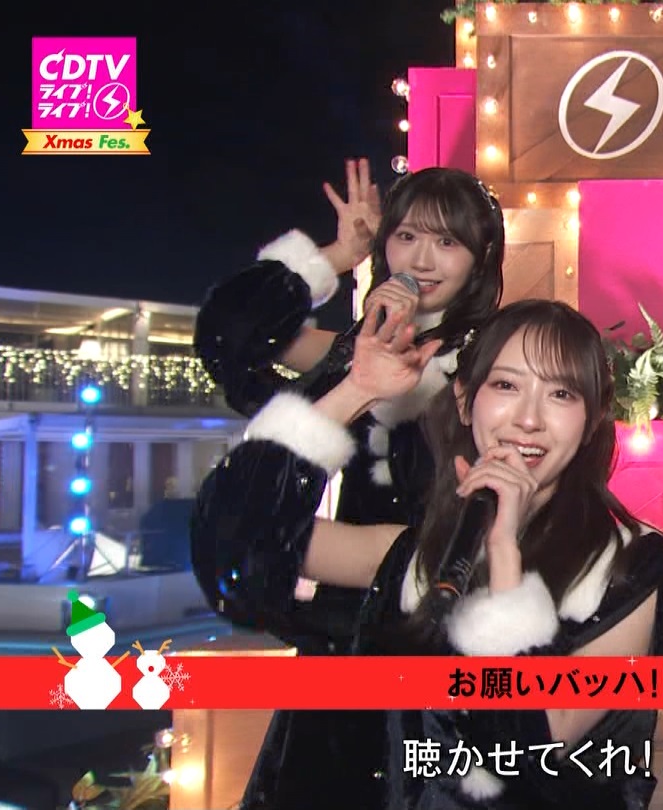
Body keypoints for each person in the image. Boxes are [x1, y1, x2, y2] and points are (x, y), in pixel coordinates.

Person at [191, 299, 663, 808]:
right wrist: (357, 391)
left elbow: (534, 747)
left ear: (593, 418)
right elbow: (239, 541)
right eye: (506, 385)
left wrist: (504, 556)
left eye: (561, 393)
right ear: (465, 401)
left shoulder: (633, 568)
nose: (529, 419)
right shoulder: (413, 553)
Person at [191, 162, 506, 809]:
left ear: (480, 259)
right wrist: (340, 254)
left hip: (447, 627)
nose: (421, 259)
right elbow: (228, 336)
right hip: (344, 635)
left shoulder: (495, 361)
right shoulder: (353, 352)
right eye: (406, 236)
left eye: (447, 242)